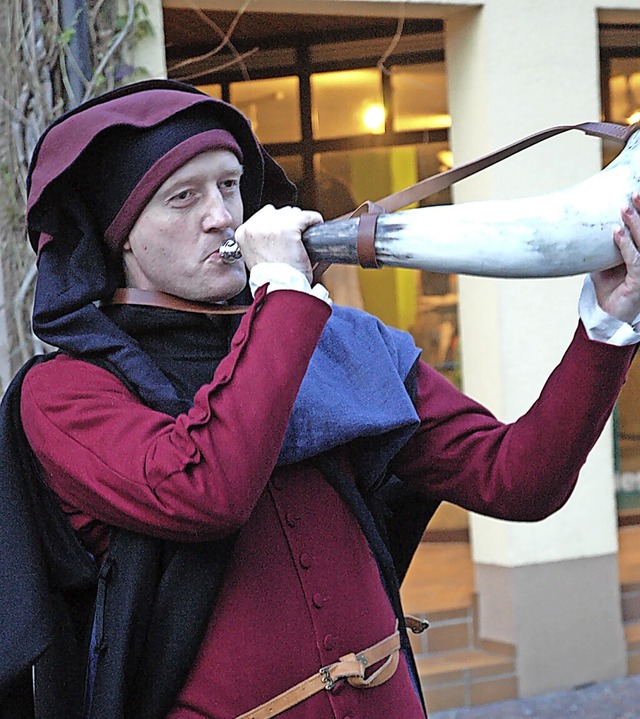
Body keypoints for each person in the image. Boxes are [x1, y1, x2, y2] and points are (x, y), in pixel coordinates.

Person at [1, 78, 639, 719]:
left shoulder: (332, 339)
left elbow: (518, 480)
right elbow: (205, 492)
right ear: (122, 236)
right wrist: (282, 298)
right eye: (183, 197)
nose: (223, 215)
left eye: (229, 186)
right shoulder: (65, 393)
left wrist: (607, 327)